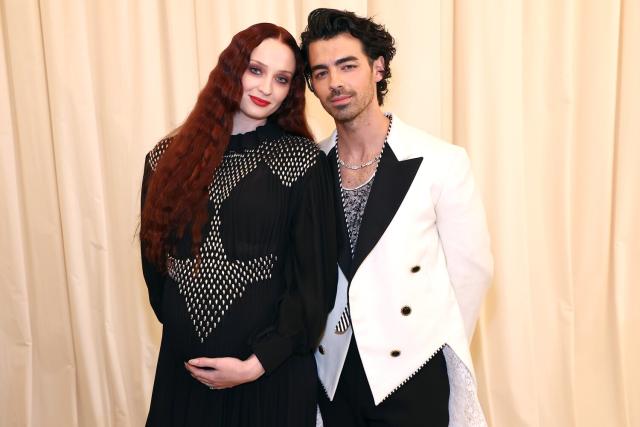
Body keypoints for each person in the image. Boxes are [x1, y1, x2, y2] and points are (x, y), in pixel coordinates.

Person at [300, 9, 493, 427]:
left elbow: (471, 274)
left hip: (411, 375)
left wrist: (421, 343)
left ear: (378, 67)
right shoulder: (310, 166)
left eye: (348, 65)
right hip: (334, 374)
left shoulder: (440, 162)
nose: (335, 82)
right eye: (321, 72)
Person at [139, 22, 337, 427]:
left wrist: (254, 365)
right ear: (231, 70)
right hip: (185, 377)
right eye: (255, 70)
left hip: (270, 384)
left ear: (291, 91)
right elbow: (156, 265)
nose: (266, 88)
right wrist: (188, 335)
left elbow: (313, 285)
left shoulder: (301, 162)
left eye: (282, 79)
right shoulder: (166, 159)